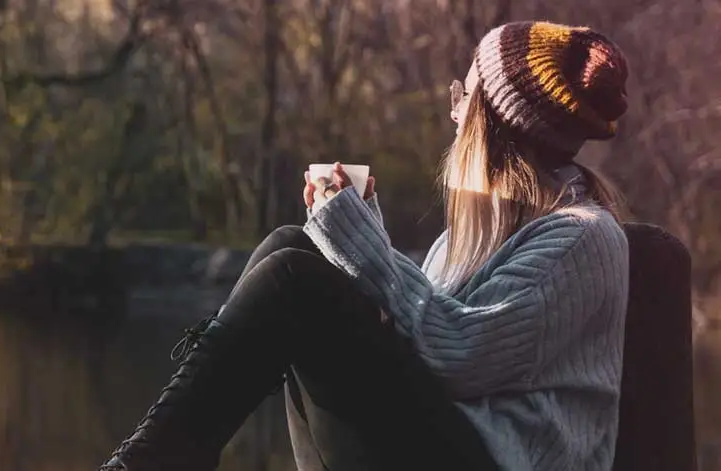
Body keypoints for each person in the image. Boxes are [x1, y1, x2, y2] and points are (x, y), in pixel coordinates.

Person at [98, 20, 631, 471]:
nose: (453, 112)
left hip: (502, 460)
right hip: (455, 444)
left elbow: (458, 355)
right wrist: (354, 235)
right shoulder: (472, 238)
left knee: (293, 282)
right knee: (294, 248)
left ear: (491, 125)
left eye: (463, 95)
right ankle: (158, 455)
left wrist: (357, 240)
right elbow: (413, 334)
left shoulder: (584, 237)